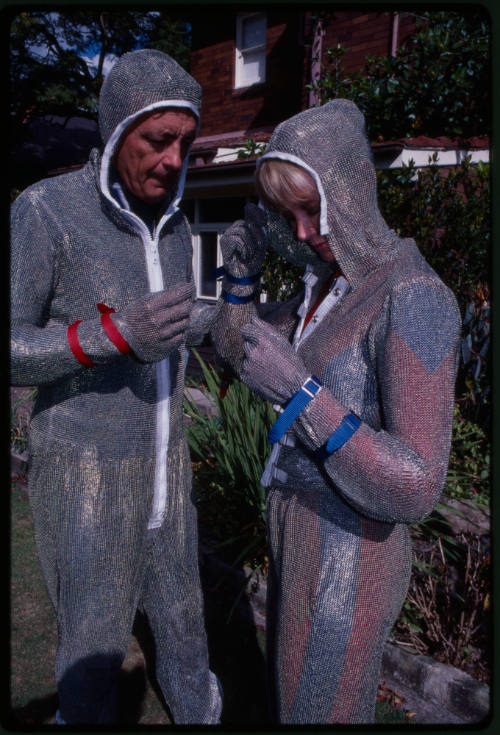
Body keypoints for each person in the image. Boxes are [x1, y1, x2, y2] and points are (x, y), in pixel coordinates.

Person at [211, 98, 461, 724]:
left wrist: (301, 393)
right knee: (293, 704)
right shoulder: (331, 281)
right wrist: (241, 279)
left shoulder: (415, 296)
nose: (301, 232)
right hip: (298, 536)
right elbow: (237, 352)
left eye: (310, 208)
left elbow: (417, 485)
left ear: (348, 187)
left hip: (352, 562)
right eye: (287, 214)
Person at [10, 49, 221, 725]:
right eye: (157, 140)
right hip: (86, 481)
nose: (172, 158)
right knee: (93, 657)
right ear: (116, 127)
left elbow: (173, 329)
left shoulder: (178, 225)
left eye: (184, 143)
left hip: (168, 477)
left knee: (188, 638)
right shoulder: (46, 211)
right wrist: (106, 337)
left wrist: (215, 318)